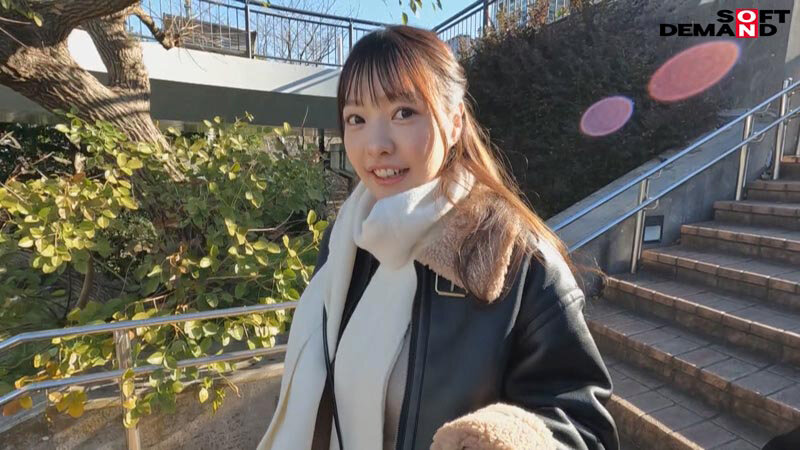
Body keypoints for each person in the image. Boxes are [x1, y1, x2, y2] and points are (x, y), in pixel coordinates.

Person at [258, 25, 618, 450]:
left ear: (454, 122)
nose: (376, 145)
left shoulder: (514, 259)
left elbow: (584, 426)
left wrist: (502, 440)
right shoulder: (348, 242)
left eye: (403, 113)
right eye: (357, 119)